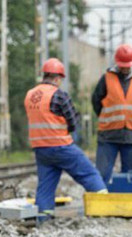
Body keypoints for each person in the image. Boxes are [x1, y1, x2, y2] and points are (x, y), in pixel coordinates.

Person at [24, 58, 106, 221]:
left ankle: (43, 218)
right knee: (89, 174)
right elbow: (73, 122)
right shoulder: (59, 95)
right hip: (61, 146)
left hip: (41, 148)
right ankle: (104, 208)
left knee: (45, 186)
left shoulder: (30, 95)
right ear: (57, 78)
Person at [92, 44, 132, 184]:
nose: (124, 68)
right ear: (117, 63)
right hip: (108, 135)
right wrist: (108, 119)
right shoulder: (106, 78)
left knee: (129, 178)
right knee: (102, 174)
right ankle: (100, 204)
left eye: (127, 66)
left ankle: (126, 206)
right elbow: (96, 101)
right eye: (122, 65)